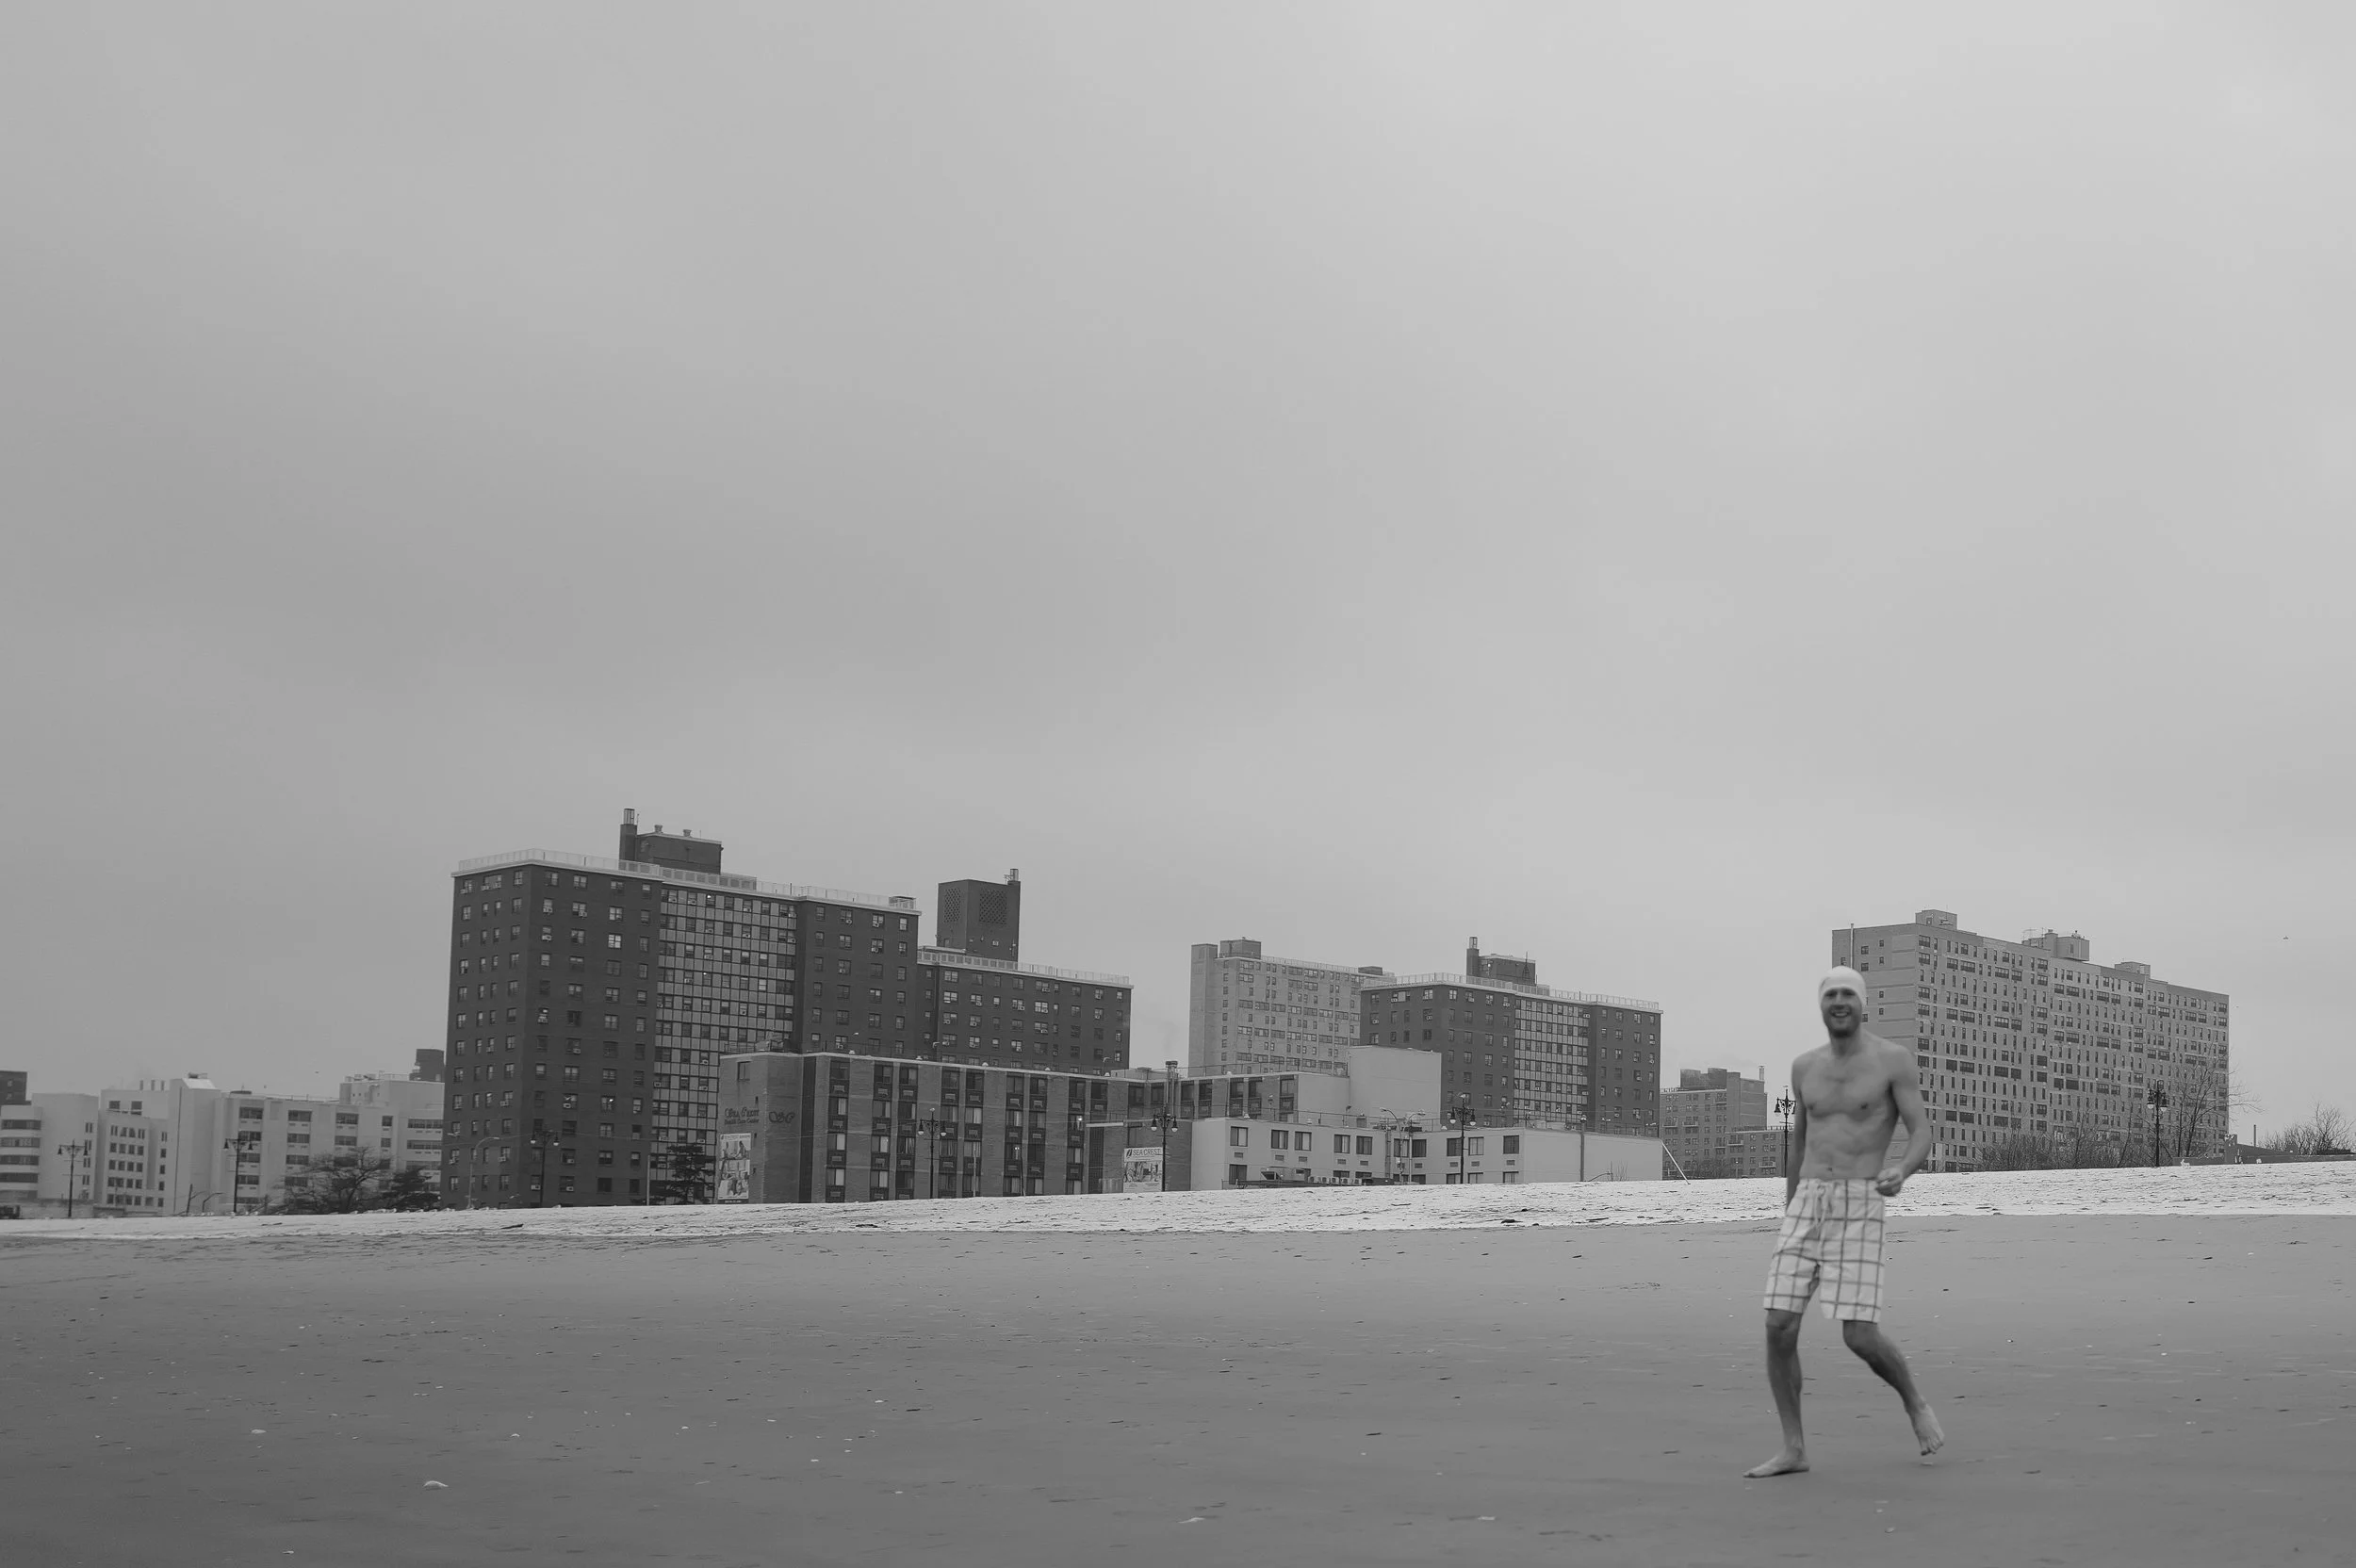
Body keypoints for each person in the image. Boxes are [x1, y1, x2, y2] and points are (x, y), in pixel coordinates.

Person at [1744, 965, 1944, 1478]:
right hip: (1807, 1202)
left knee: (1859, 1336)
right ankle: (1793, 1448)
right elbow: (1800, 1144)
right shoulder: (1804, 1067)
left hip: (1860, 1201)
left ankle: (1915, 1402)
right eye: (1830, 994)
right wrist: (1790, 1207)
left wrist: (1902, 1170)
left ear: (1862, 1004)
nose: (1839, 1001)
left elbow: (1922, 1131)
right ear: (1821, 1005)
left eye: (1847, 994)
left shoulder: (1892, 1060)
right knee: (1778, 1325)